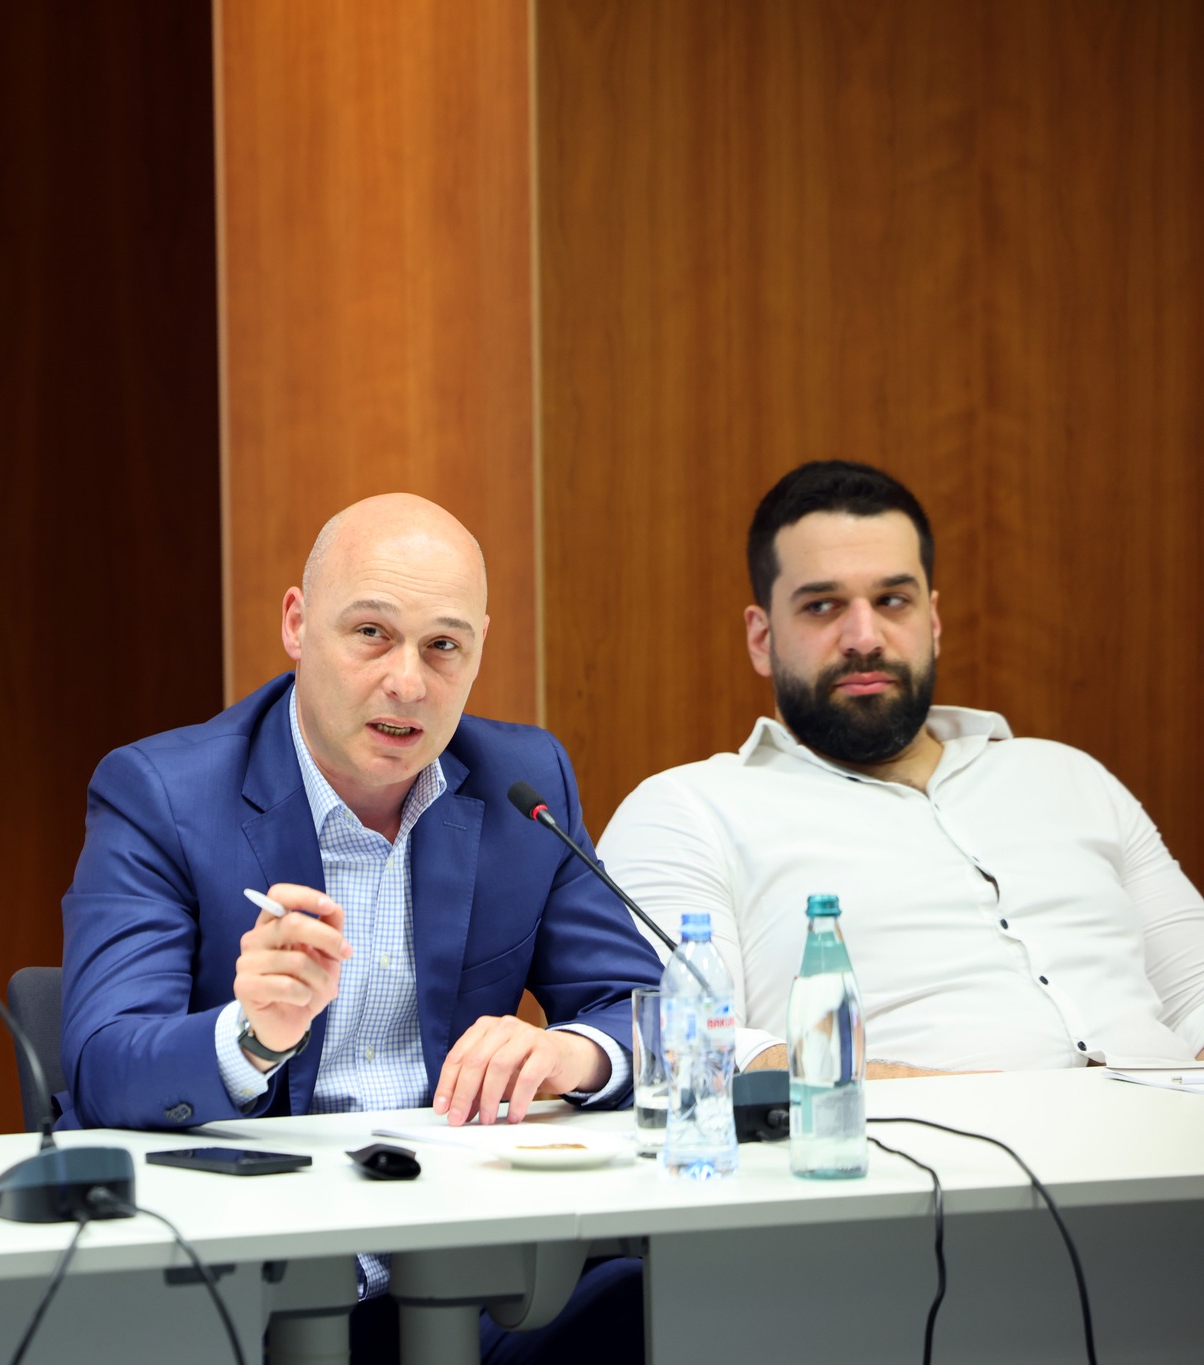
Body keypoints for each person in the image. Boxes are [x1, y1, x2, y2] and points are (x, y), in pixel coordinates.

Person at [61, 494, 654, 1364]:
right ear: (297, 625)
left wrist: (572, 1053)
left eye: (443, 645)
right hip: (248, 1292)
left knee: (664, 1304)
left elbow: (646, 1007)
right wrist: (252, 1037)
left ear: (479, 650)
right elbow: (102, 1062)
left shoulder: (523, 781)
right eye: (372, 633)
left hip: (467, 1278)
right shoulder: (162, 794)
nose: (408, 682)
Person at [599, 461, 1204, 1075]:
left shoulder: (1070, 778)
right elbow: (685, 1046)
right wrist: (958, 1105)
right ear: (762, 638)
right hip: (928, 1135)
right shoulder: (688, 811)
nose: (864, 637)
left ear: (932, 621)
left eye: (893, 601)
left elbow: (1195, 994)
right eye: (822, 605)